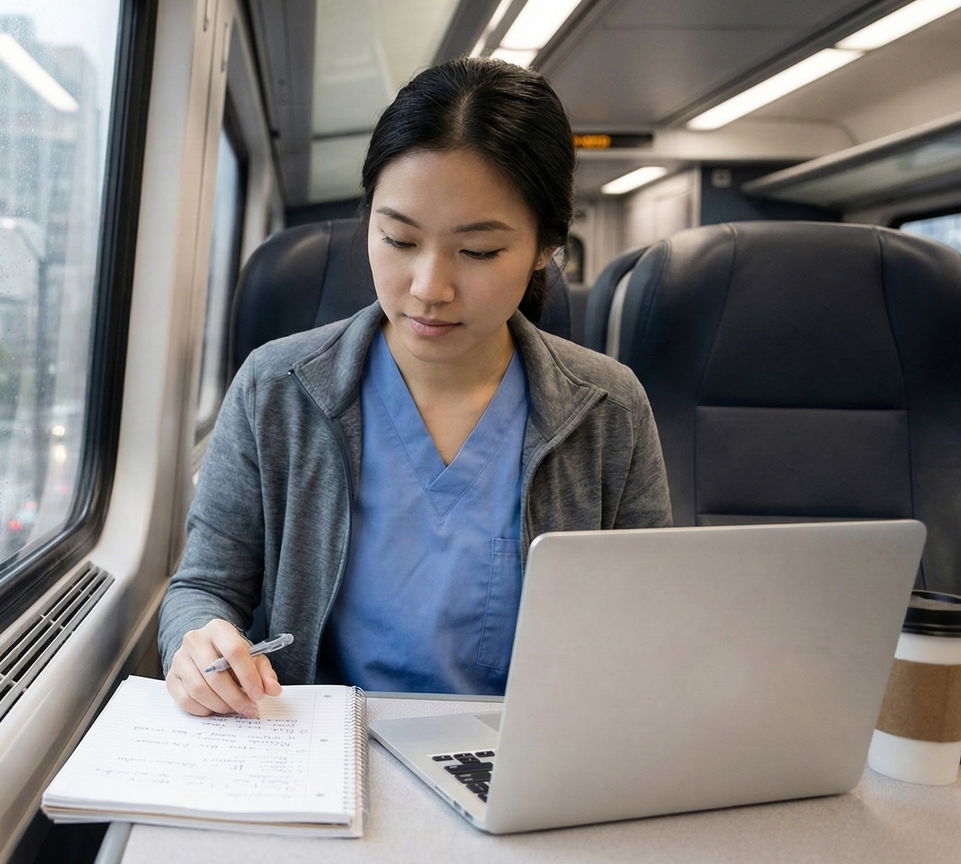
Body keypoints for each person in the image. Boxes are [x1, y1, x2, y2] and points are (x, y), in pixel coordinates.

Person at [159, 58, 671, 718]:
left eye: (478, 252)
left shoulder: (608, 408)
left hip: (524, 751)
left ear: (546, 246)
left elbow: (648, 620)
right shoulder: (274, 389)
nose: (429, 288)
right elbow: (203, 588)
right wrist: (199, 644)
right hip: (321, 740)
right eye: (399, 239)